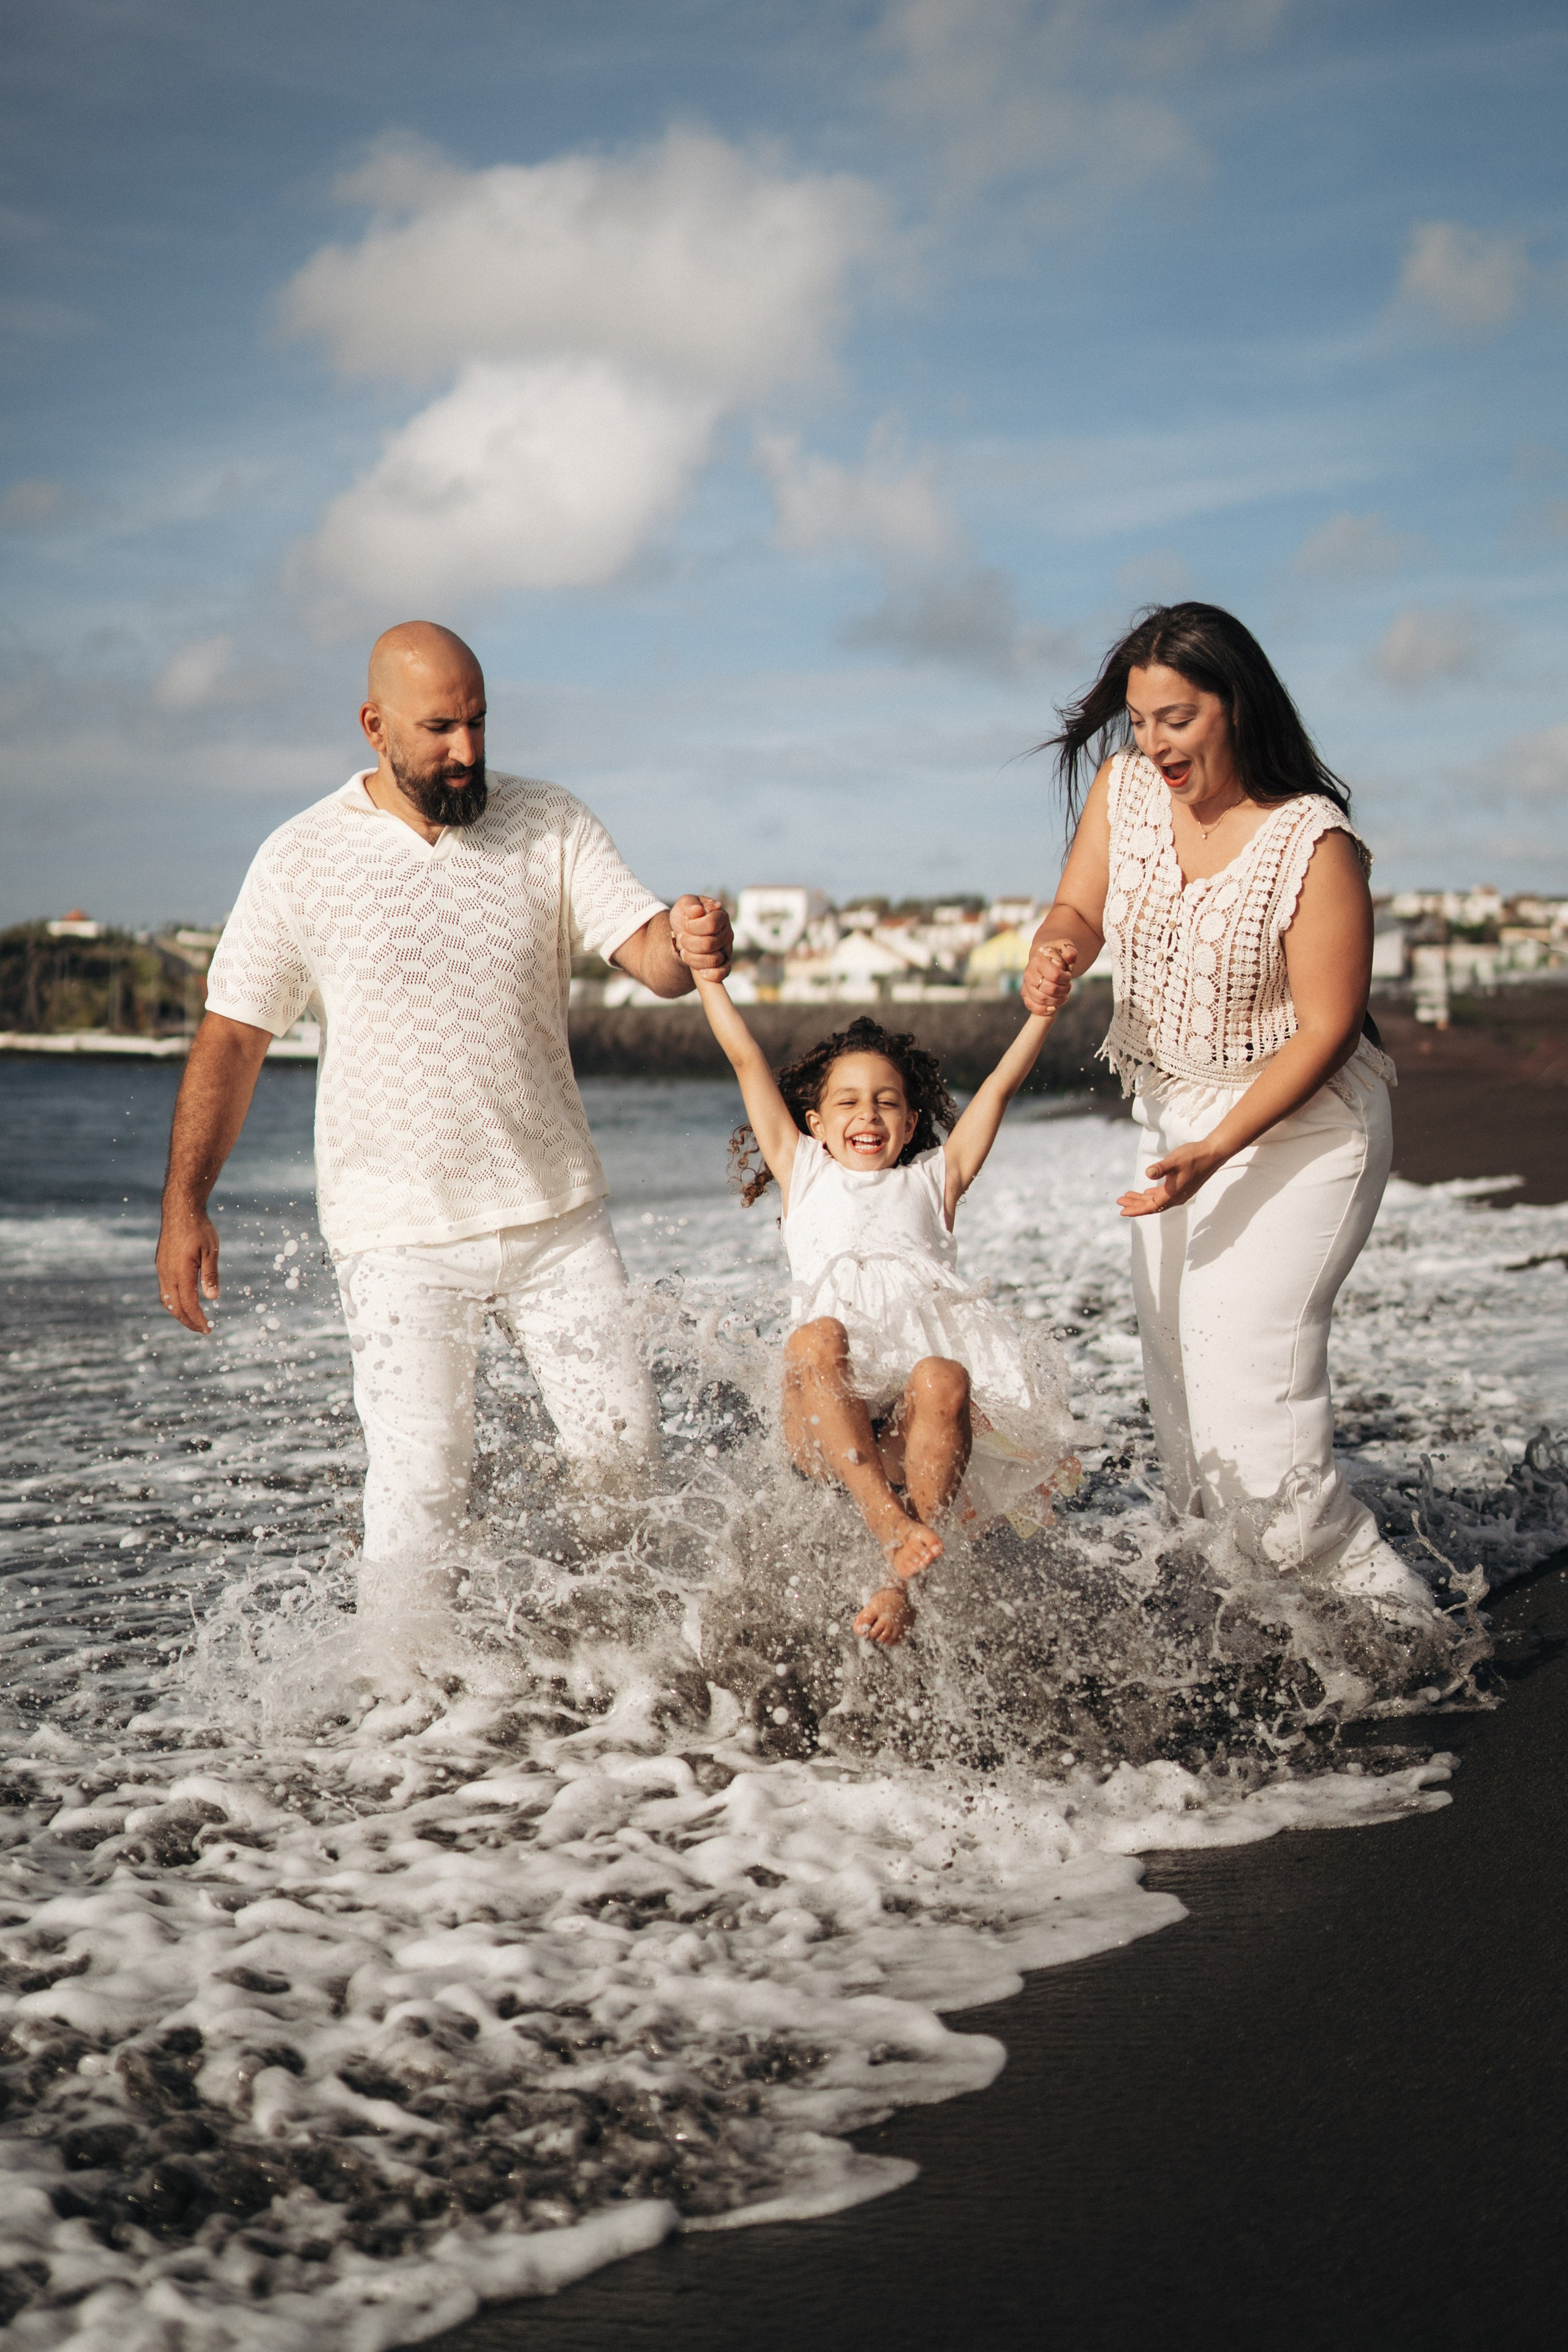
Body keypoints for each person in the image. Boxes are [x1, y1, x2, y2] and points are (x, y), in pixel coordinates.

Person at [154, 621, 733, 1618]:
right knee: (420, 1495)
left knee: (623, 1464)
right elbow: (234, 1039)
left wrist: (692, 937)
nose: (467, 752)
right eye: (439, 729)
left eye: (477, 723)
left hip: (556, 1218)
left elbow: (654, 961)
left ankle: (622, 1695)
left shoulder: (549, 821)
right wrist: (185, 1202)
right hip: (397, 1238)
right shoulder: (300, 858)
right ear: (374, 727)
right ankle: (400, 1723)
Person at [1019, 601, 1433, 1621]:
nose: (1154, 742)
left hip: (1303, 1131)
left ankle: (1410, 1647)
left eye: (1178, 718)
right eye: (1140, 720)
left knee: (1257, 1433)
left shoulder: (1313, 845)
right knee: (1186, 1427)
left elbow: (1328, 1027)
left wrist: (1220, 1146)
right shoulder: (1125, 792)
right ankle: (1271, 1651)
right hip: (1176, 1122)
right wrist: (1059, 946)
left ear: (1236, 708)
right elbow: (1078, 902)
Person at [691, 951, 1077, 1646]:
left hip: (908, 1435)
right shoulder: (804, 1170)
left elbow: (998, 1089)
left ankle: (897, 1584)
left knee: (944, 1375)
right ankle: (888, 1524)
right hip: (821, 1424)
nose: (866, 1114)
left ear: (909, 1125)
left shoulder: (935, 1180)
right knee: (818, 1337)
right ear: (812, 1122)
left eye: (887, 1102)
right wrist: (708, 980)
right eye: (847, 1100)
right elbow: (747, 1061)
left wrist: (1041, 1015)